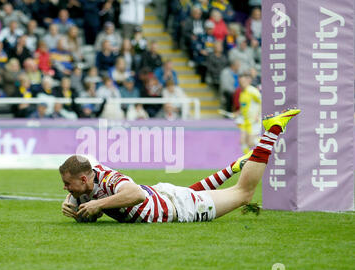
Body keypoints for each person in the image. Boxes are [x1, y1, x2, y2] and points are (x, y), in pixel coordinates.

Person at [60, 109, 301, 223]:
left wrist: (97, 204)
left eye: (67, 185)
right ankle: (234, 166)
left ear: (83, 179)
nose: (65, 189)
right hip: (165, 195)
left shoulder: (109, 179)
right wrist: (76, 206)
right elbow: (83, 163)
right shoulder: (88, 175)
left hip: (181, 207)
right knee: (192, 191)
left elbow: (135, 194)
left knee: (243, 194)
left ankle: (273, 130)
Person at [236, 72, 262, 154]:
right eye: (240, 82)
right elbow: (243, 107)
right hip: (245, 120)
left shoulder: (253, 91)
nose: (241, 84)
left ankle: (267, 144)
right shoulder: (242, 93)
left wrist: (257, 115)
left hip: (253, 120)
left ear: (248, 81)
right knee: (242, 141)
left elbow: (261, 102)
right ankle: (245, 160)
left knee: (250, 142)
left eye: (243, 82)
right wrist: (237, 113)